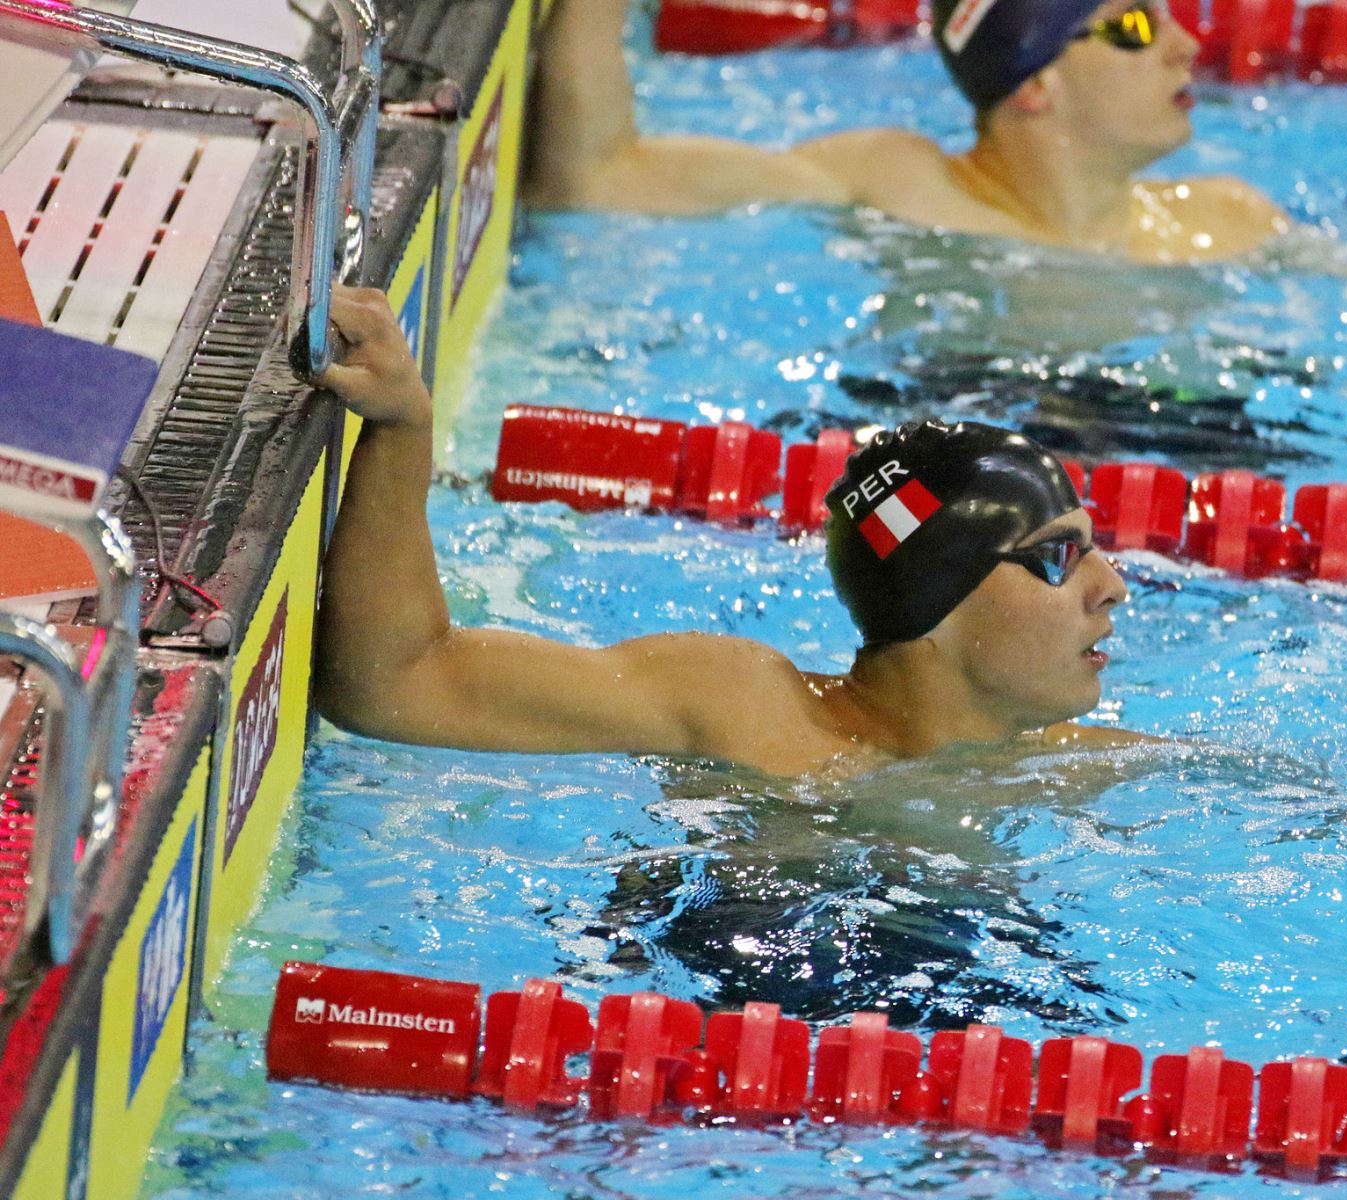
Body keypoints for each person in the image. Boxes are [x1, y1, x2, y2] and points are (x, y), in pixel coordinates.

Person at [315, 286, 1147, 777]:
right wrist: (402, 431)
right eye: (1060, 556)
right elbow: (396, 682)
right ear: (942, 597)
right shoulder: (744, 711)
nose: (1112, 584)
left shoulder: (1060, 771)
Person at [523, 0, 1290, 262]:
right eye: (1132, 23)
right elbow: (595, 179)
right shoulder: (898, 185)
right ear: (1034, 84)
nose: (1186, 44)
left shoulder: (1229, 222)